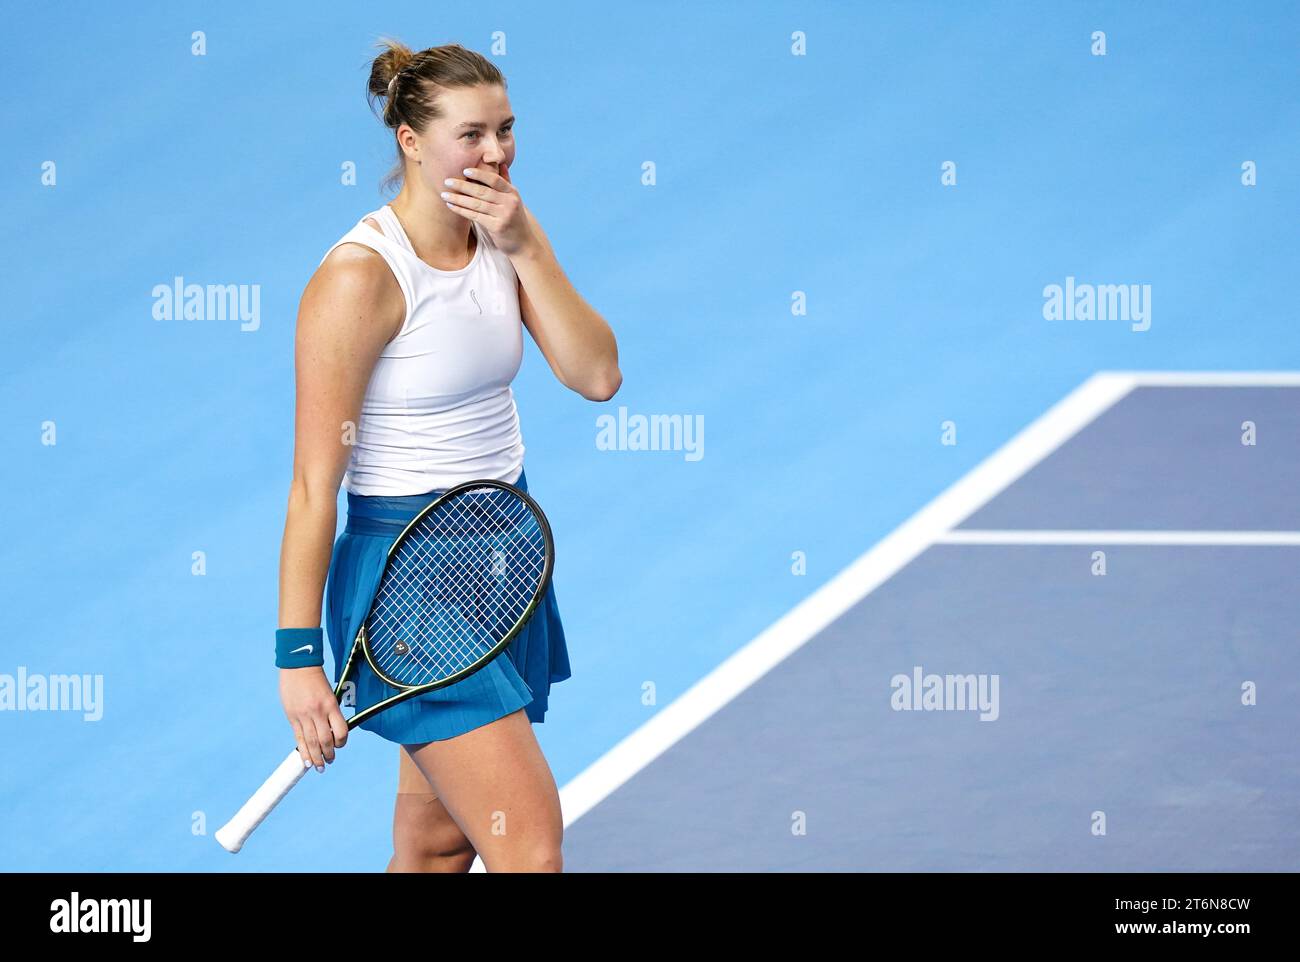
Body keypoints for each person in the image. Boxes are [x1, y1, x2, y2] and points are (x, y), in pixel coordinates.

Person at [273, 38, 621, 873]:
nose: (496, 151)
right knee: (528, 849)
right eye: (471, 134)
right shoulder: (359, 279)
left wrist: (526, 243)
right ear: (410, 141)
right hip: (410, 586)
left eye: (506, 129)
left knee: (437, 844)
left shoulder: (502, 232)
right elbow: (315, 484)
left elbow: (597, 374)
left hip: (502, 560)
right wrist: (297, 659)